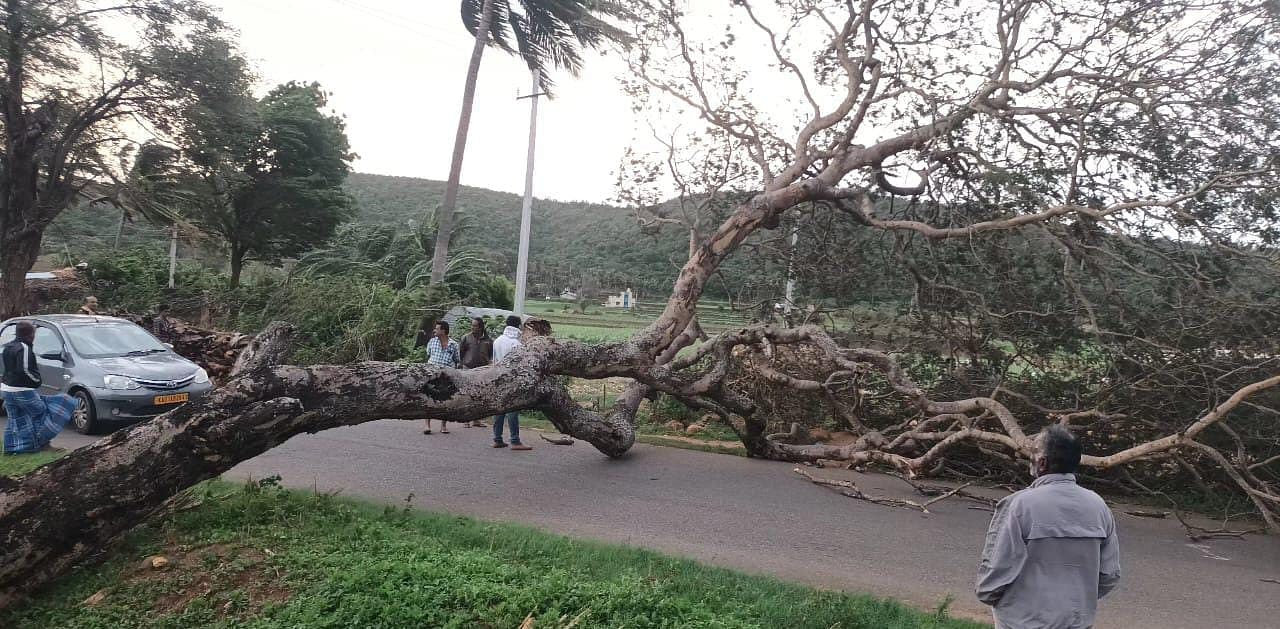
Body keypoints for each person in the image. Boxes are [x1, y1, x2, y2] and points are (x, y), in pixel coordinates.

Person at [976, 425, 1121, 629]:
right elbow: (1109, 574)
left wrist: (996, 599)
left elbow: (998, 568)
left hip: (1022, 622)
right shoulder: (1098, 506)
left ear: (1042, 463)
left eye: (1033, 453)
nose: (1029, 458)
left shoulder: (1019, 505)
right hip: (1076, 621)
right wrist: (1078, 600)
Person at [3, 322, 76, 454]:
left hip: (7, 389)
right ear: (31, 335)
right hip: (22, 389)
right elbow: (24, 369)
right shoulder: (23, 348)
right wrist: (36, 381)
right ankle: (43, 445)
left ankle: (12, 449)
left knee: (16, 419)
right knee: (42, 412)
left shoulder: (8, 347)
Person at [491, 315, 531, 451]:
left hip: (498, 378)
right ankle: (515, 440)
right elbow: (521, 365)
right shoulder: (517, 344)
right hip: (512, 380)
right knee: (513, 410)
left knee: (499, 410)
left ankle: (497, 438)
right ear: (518, 326)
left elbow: (495, 361)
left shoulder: (497, 340)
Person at [423, 320, 460, 435]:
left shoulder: (453, 344)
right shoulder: (432, 341)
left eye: (437, 328)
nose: (435, 330)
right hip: (432, 374)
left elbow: (457, 359)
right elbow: (428, 354)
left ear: (443, 331)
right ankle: (427, 425)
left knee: (445, 400)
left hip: (446, 375)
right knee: (429, 399)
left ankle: (443, 426)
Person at [458, 317, 493, 427]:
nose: (473, 327)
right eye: (472, 325)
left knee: (479, 396)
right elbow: (461, 353)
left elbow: (490, 355)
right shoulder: (466, 338)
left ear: (481, 327)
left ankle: (476, 420)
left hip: (482, 371)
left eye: (475, 326)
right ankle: (466, 420)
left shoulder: (488, 340)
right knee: (467, 395)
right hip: (468, 369)